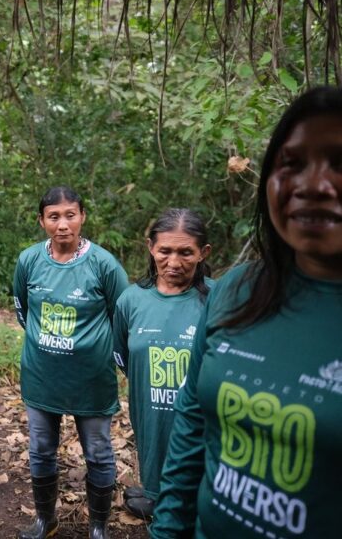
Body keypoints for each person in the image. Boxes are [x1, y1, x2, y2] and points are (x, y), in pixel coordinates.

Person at [151, 86, 342, 538]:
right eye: (292, 163)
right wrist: (167, 528)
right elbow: (192, 420)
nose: (313, 185)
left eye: (339, 163)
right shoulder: (237, 289)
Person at [12, 186, 129, 539]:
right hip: (41, 375)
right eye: (53, 217)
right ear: (41, 221)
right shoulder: (29, 260)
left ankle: (98, 527)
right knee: (40, 451)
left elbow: (122, 316)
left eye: (70, 215)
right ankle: (46, 520)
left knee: (98, 452)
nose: (62, 224)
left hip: (91, 377)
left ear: (82, 217)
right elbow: (23, 310)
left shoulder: (103, 264)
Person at [111, 209, 213, 520]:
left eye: (186, 253)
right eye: (165, 251)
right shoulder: (131, 300)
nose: (173, 262)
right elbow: (123, 355)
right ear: (151, 248)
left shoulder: (218, 299)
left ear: (203, 252)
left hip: (200, 422)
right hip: (151, 413)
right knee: (159, 483)